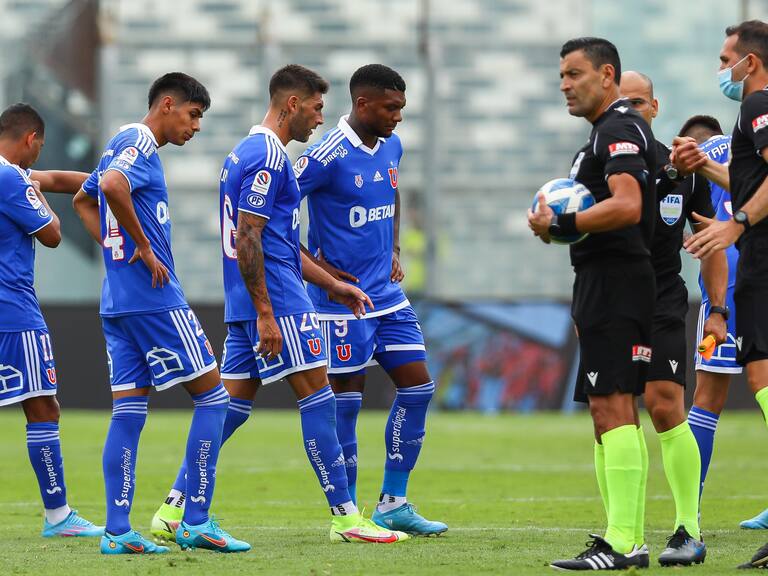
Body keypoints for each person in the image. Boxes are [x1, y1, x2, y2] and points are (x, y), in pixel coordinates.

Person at [150, 64, 407, 544]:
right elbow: (249, 237)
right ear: (292, 104)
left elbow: (279, 242)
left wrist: (332, 284)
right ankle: (347, 518)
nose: (319, 119)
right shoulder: (269, 156)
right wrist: (268, 313)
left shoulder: (243, 152)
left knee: (227, 408)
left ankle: (175, 506)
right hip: (278, 303)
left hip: (246, 302)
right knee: (320, 401)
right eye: (316, 108)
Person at [72, 72, 249, 555]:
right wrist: (144, 248)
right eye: (193, 115)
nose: (196, 126)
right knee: (214, 399)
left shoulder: (119, 144)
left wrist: (116, 251)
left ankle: (117, 531)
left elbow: (84, 199)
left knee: (128, 412)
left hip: (118, 301)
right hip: (155, 299)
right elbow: (111, 186)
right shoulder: (138, 142)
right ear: (167, 104)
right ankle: (195, 520)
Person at [296, 63, 447, 536]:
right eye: (390, 108)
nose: (398, 117)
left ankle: (392, 503)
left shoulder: (392, 145)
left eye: (401, 108)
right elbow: (273, 218)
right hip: (340, 305)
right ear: (362, 104)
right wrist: (320, 273)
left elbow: (392, 193)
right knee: (346, 406)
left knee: (418, 388)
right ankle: (350, 516)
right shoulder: (324, 156)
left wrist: (395, 248)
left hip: (388, 296)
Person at [529, 38, 656, 570]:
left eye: (574, 73)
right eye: (561, 75)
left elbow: (628, 206)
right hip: (606, 281)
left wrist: (562, 221)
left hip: (616, 281)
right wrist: (561, 230)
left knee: (613, 405)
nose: (564, 84)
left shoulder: (618, 128)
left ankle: (624, 543)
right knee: (610, 410)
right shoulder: (605, 133)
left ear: (607, 75)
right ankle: (624, 537)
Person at [619, 72, 728, 567]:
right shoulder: (598, 164)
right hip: (611, 304)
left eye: (638, 102)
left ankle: (689, 530)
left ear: (655, 107)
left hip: (662, 301)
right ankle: (623, 537)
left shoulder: (685, 169)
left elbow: (712, 242)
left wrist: (717, 309)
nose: (631, 111)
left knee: (665, 406)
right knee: (612, 416)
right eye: (622, 103)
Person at [679, 20, 768, 569]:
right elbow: (752, 183)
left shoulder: (758, 105)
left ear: (749, 62)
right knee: (760, 381)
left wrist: (736, 223)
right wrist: (710, 167)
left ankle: (686, 514)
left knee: (739, 386)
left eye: (724, 60)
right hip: (748, 270)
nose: (721, 70)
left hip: (745, 274)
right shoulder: (743, 125)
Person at [0, 102, 103, 538]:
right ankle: (59, 516)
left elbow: (57, 179)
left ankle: (59, 515)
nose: (39, 156)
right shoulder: (10, 177)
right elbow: (53, 234)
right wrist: (38, 194)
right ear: (31, 139)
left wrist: (111, 179)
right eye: (40, 147)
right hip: (13, 311)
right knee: (43, 406)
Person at [671, 116, 743, 525]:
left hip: (727, 277)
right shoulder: (750, 148)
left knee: (707, 400)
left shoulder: (696, 160)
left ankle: (690, 509)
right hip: (759, 264)